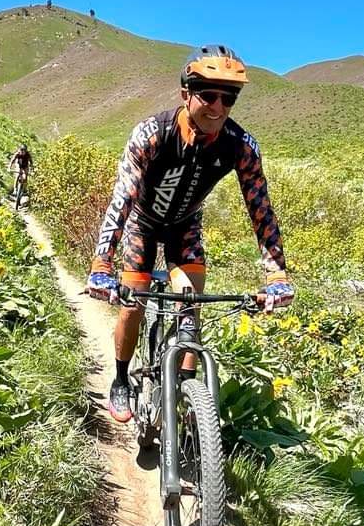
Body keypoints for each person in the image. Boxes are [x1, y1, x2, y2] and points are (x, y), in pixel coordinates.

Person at [86, 47, 294, 422]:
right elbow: (122, 199)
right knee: (132, 303)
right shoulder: (153, 134)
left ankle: (184, 396)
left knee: (190, 305)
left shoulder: (241, 146)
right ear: (186, 94)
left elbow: (260, 211)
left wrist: (276, 275)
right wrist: (102, 263)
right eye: (208, 95)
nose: (218, 106)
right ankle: (120, 379)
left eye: (228, 97)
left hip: (185, 226)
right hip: (143, 224)